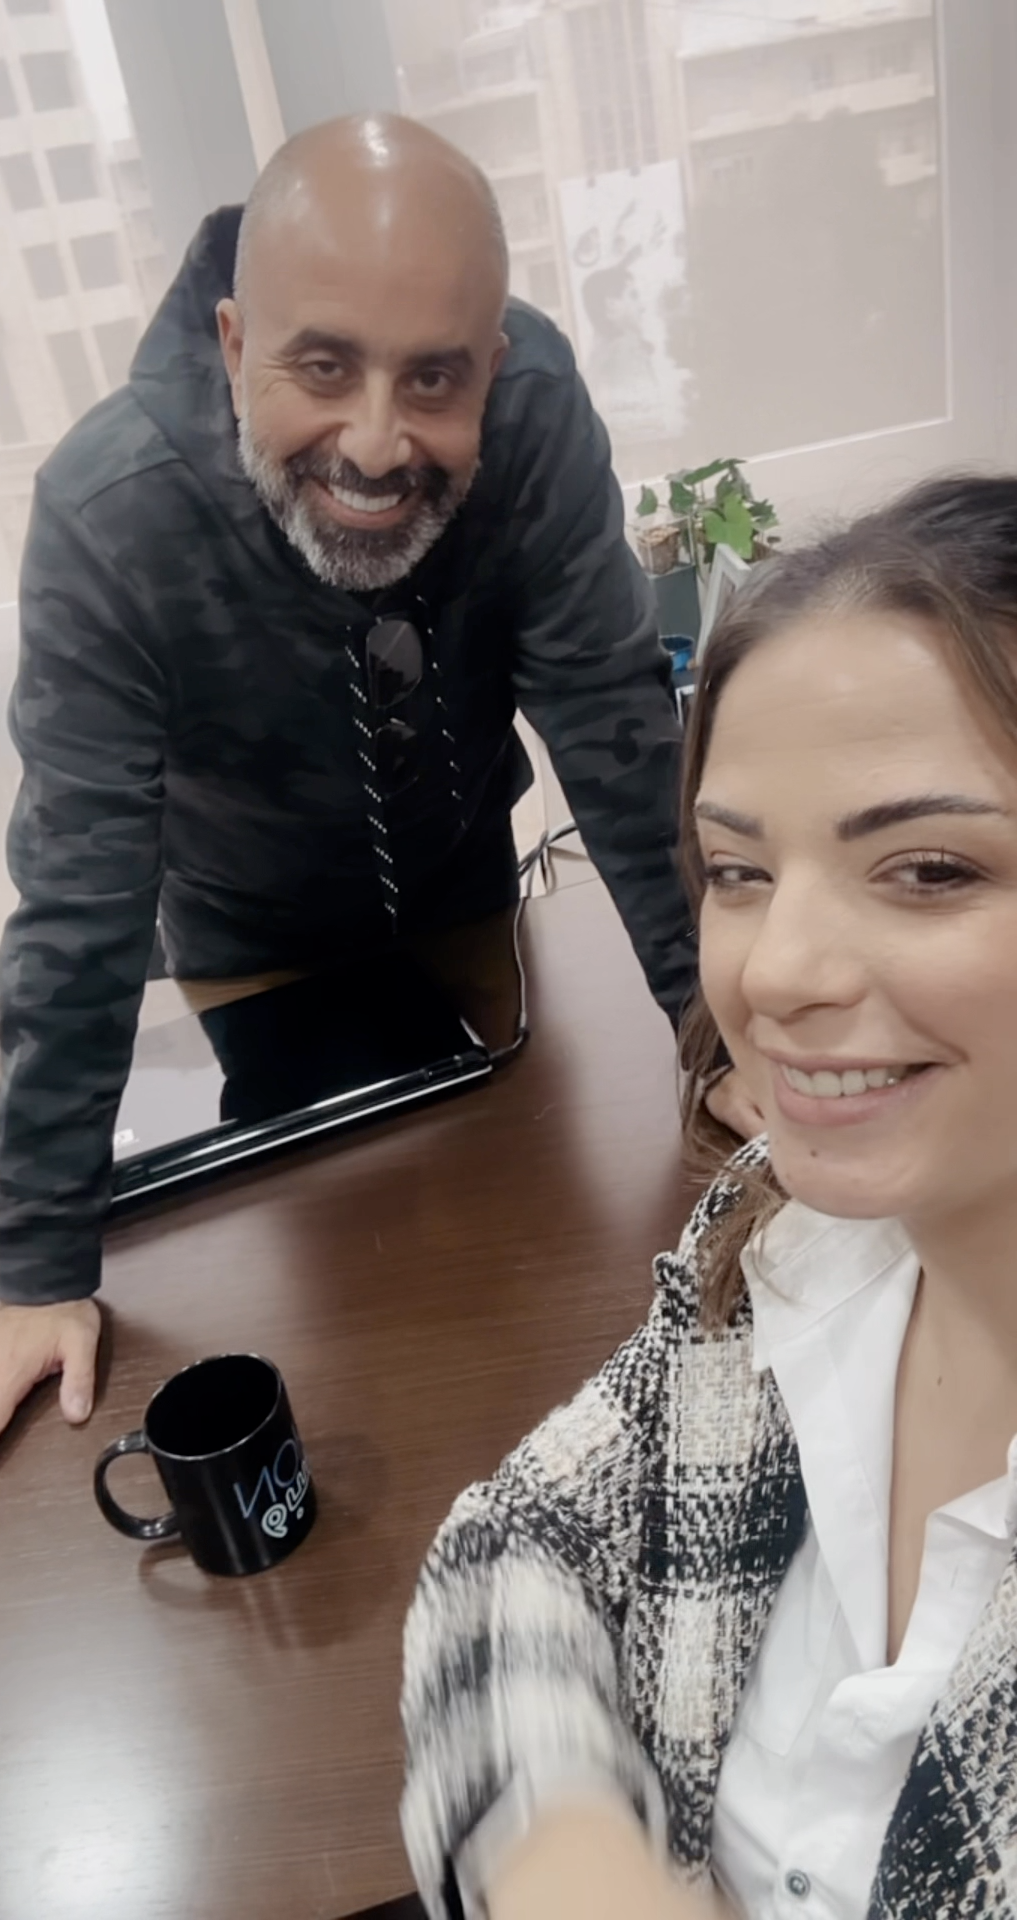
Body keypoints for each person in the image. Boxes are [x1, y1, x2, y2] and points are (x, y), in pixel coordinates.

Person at [0, 113, 757, 1500]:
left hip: (465, 903)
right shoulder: (107, 511)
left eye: (434, 379)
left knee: (529, 1290)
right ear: (231, 334)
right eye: (321, 367)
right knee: (338, 1316)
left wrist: (727, 1044)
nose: (377, 445)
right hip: (240, 943)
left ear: (491, 365)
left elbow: (620, 738)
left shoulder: (537, 420)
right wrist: (37, 1267)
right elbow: (81, 883)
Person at [400, 474, 1017, 1919]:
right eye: (738, 868)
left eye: (927, 868)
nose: (772, 970)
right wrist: (563, 1851)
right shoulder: (785, 1247)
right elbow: (514, 1548)